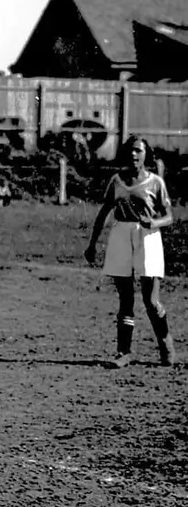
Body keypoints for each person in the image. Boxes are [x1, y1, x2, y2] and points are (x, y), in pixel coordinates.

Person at [84, 136, 177, 368]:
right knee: (125, 299)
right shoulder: (116, 180)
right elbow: (104, 210)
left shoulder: (156, 182)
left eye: (139, 151)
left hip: (148, 237)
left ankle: (166, 345)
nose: (134, 155)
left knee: (151, 300)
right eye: (130, 151)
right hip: (120, 235)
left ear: (146, 154)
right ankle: (123, 352)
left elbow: (169, 216)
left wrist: (153, 223)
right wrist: (93, 243)